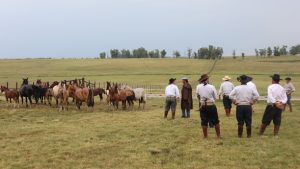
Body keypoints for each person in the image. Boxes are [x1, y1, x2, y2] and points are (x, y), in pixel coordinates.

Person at [196, 74, 221, 139]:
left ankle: (205, 136)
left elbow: (198, 95)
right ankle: (218, 136)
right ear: (207, 79)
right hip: (211, 105)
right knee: (216, 121)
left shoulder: (198, 86)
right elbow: (215, 97)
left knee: (204, 121)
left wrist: (201, 101)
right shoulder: (211, 86)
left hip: (203, 106)